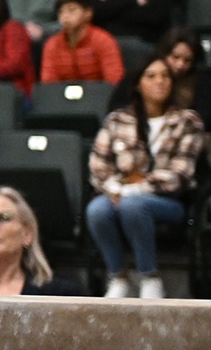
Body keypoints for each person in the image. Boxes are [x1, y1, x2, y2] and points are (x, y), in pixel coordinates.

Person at [87, 55, 204, 299]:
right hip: (118, 193)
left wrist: (135, 189)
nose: (160, 81)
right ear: (138, 84)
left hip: (170, 201)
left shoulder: (187, 121)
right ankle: (118, 276)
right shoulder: (117, 119)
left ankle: (149, 275)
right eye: (151, 76)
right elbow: (99, 165)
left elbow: (181, 173)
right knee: (97, 209)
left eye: (165, 76)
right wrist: (114, 188)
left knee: (133, 206)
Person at [39, 0, 124, 85]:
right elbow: (48, 85)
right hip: (62, 97)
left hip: (98, 96)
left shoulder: (103, 40)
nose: (65, 17)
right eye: (61, 12)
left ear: (88, 13)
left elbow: (114, 81)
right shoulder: (52, 45)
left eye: (72, 10)